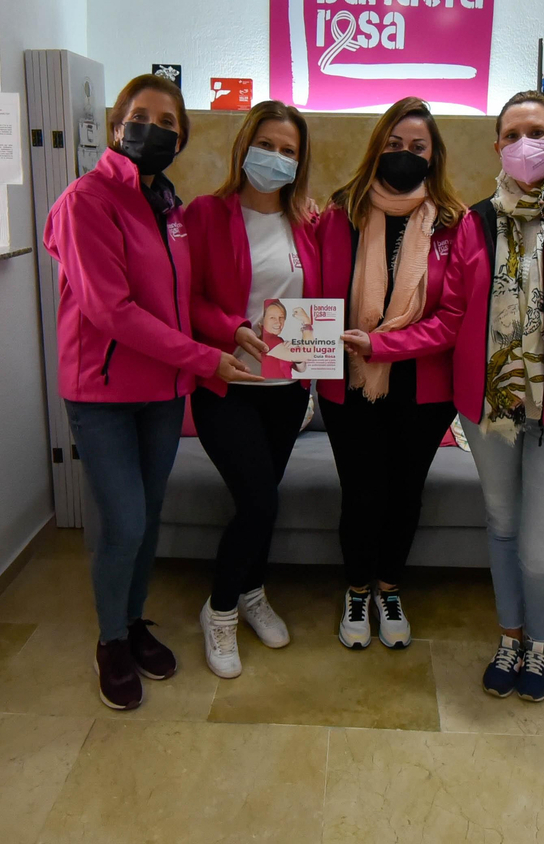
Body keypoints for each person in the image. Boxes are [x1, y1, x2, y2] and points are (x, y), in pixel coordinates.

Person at [343, 90, 544, 701]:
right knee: (503, 529)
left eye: (535, 131)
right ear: (497, 147)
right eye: (510, 134)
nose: (522, 144)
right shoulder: (477, 222)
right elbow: (451, 318)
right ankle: (510, 637)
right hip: (489, 414)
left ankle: (541, 644)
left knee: (539, 547)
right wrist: (381, 346)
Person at [43, 74, 260, 710]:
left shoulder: (170, 208)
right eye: (143, 116)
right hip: (103, 390)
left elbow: (181, 303)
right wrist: (207, 361)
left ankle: (134, 623)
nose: (156, 129)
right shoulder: (88, 200)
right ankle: (110, 640)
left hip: (163, 393)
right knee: (124, 522)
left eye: (170, 123)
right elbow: (112, 311)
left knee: (150, 514)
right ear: (117, 126)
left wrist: (238, 334)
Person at [316, 97, 466, 650]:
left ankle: (388, 586)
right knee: (359, 491)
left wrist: (385, 344)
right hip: (346, 382)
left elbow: (454, 317)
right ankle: (357, 589)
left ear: (434, 154)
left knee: (405, 492)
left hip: (423, 389)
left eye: (418, 147)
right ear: (378, 146)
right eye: (395, 144)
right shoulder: (338, 211)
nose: (405, 155)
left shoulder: (455, 222)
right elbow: (312, 288)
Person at [184, 100, 321, 679]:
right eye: (267, 145)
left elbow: (318, 298)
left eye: (289, 151)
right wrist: (232, 329)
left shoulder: (307, 222)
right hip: (226, 383)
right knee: (260, 500)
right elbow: (185, 298)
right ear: (244, 147)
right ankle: (219, 610)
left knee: (263, 498)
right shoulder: (205, 214)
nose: (277, 158)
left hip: (286, 387)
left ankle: (252, 590)